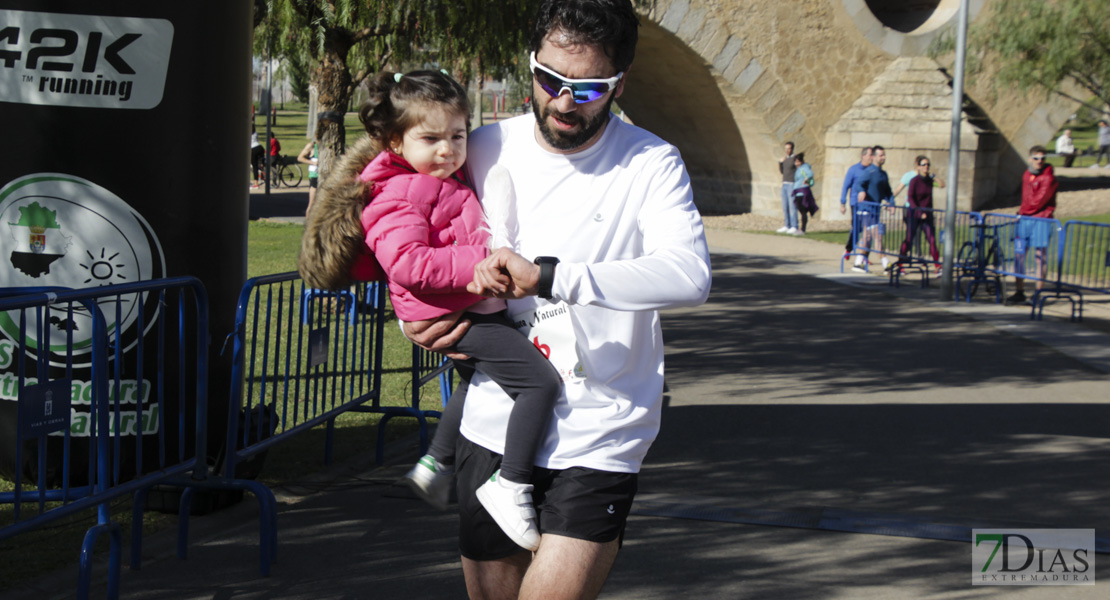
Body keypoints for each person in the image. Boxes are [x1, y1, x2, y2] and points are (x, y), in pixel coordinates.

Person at [402, 1, 712, 597]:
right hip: (492, 422)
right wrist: (413, 316)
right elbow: (408, 231)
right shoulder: (482, 146)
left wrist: (550, 277)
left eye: (589, 89)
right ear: (531, 68)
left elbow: (688, 274)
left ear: (620, 83)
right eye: (550, 80)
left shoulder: (651, 162)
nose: (565, 102)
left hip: (600, 427)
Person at [296, 70, 563, 552]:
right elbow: (408, 263)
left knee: (481, 382)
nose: (448, 149)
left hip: (467, 305)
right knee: (539, 382)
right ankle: (513, 483)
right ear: (396, 141)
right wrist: (476, 268)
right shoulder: (396, 194)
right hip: (456, 314)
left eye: (458, 136)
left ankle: (437, 459)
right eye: (431, 138)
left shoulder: (440, 177)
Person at [1007, 145, 1058, 306]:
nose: (1039, 161)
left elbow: (1038, 202)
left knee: (1039, 257)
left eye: (1043, 158)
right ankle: (1019, 291)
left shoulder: (1048, 178)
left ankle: (1038, 292)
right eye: (1036, 158)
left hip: (1041, 218)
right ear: (1030, 159)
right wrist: (1021, 213)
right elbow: (1026, 198)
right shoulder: (1027, 174)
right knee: (1019, 254)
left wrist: (1022, 213)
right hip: (1025, 219)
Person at [897, 155, 946, 272]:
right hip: (914, 214)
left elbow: (942, 185)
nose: (926, 167)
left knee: (932, 239)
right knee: (909, 239)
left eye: (928, 164)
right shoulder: (914, 181)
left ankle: (937, 265)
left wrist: (934, 176)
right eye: (923, 164)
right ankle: (900, 262)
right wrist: (918, 212)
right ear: (918, 166)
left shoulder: (929, 180)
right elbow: (910, 198)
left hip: (927, 214)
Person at [853, 145, 893, 273]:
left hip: (875, 210)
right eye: (881, 155)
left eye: (884, 155)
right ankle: (885, 263)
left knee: (867, 237)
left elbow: (888, 191)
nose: (883, 157)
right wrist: (861, 192)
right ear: (874, 157)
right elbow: (858, 184)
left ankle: (858, 263)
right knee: (877, 236)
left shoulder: (883, 174)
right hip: (866, 209)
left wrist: (890, 202)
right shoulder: (868, 172)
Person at [839, 147, 873, 256]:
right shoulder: (853, 169)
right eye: (870, 155)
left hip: (869, 204)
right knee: (856, 228)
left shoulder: (873, 170)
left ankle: (864, 256)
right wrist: (842, 203)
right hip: (856, 204)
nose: (872, 157)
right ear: (863, 156)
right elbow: (845, 186)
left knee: (869, 230)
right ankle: (849, 249)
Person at [791, 153, 817, 234]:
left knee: (803, 211)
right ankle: (802, 229)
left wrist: (806, 180)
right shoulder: (799, 169)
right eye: (795, 162)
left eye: (798, 162)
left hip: (802, 192)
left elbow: (810, 174)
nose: (797, 163)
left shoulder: (803, 168)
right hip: (798, 191)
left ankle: (803, 229)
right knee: (802, 211)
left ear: (801, 161)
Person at [777, 141, 799, 234]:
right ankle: (787, 225)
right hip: (784, 184)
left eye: (789, 148)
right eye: (786, 148)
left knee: (792, 206)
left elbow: (798, 171)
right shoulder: (785, 159)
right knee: (785, 206)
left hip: (792, 184)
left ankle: (794, 226)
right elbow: (782, 171)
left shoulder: (795, 159)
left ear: (792, 149)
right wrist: (780, 163)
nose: (787, 150)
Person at [297, 138, 319, 212]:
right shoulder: (312, 146)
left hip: (326, 177)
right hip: (315, 176)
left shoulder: (328, 147)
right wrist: (313, 163)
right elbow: (300, 158)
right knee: (312, 204)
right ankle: (308, 222)